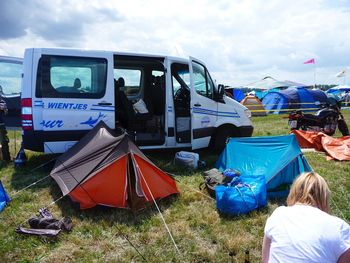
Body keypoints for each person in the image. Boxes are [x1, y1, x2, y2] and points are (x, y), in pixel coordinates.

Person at [262, 172, 350, 263]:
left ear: (293, 192)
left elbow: (265, 260)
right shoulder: (340, 228)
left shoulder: (278, 214)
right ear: (324, 196)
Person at [0, 97, 10, 161]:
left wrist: (5, 108)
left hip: (1, 125)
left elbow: (6, 113)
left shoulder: (2, 101)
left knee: (4, 142)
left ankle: (6, 159)